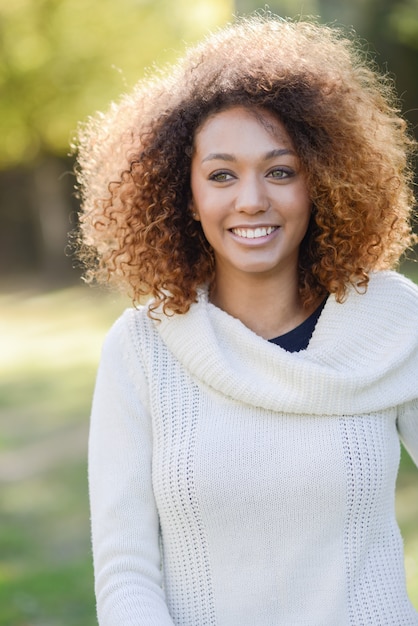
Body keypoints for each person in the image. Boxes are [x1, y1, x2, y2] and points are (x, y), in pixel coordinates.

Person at [75, 14, 418, 626]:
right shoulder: (142, 349)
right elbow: (126, 571)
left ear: (325, 183)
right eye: (222, 174)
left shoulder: (393, 324)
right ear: (187, 195)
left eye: (281, 171)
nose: (252, 199)